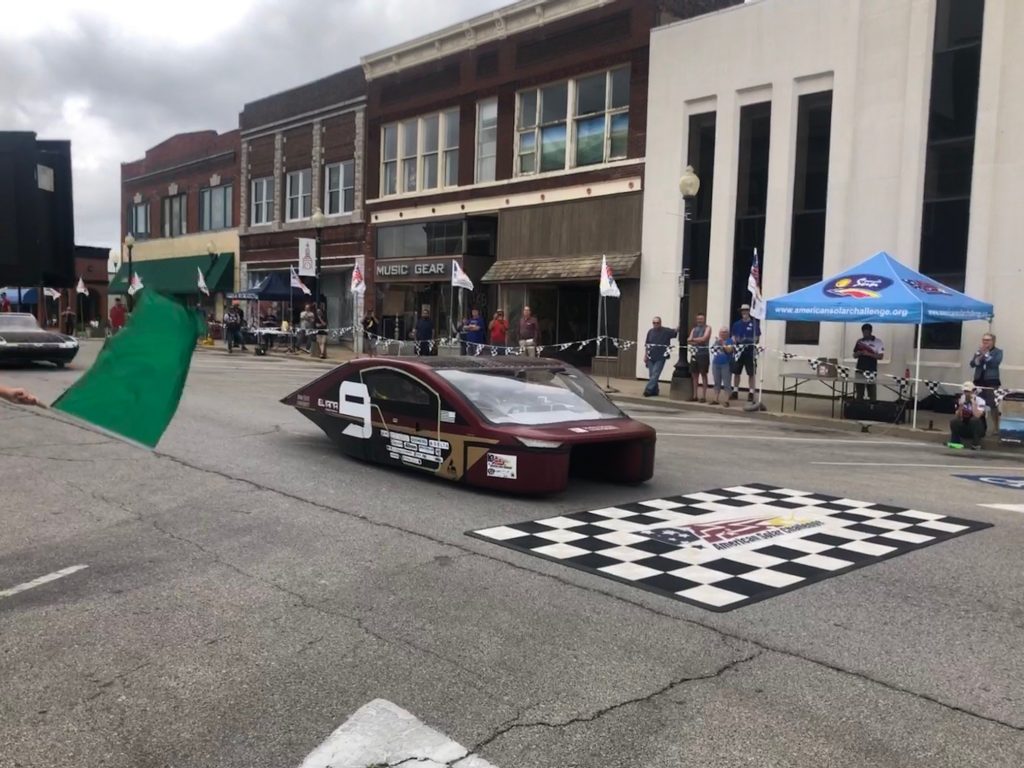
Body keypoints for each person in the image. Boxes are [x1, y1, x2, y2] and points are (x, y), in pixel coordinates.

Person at [970, 332, 1002, 431]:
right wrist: (980, 356)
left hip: (991, 381)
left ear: (993, 341)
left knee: (993, 404)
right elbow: (972, 364)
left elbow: (994, 363)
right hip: (979, 380)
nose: (985, 342)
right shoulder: (979, 351)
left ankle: (996, 427)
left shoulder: (998, 352)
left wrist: (986, 354)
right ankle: (980, 426)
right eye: (984, 340)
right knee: (978, 403)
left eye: (987, 340)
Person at [729, 304, 760, 402]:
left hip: (750, 352)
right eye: (743, 311)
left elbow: (757, 338)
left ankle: (751, 392)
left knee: (751, 373)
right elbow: (733, 337)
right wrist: (735, 341)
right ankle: (735, 391)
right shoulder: (736, 324)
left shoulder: (754, 323)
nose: (744, 312)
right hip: (738, 352)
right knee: (736, 372)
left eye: (746, 310)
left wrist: (747, 340)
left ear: (749, 311)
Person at [642, 316, 677, 397]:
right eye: (654, 323)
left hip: (661, 356)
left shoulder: (665, 331)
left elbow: (675, 332)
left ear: (660, 323)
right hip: (650, 356)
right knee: (651, 374)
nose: (656, 324)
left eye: (657, 323)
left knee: (655, 373)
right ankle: (655, 390)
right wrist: (645, 355)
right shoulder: (650, 332)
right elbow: (647, 344)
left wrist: (679, 326)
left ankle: (648, 390)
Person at [949, 381, 987, 450]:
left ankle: (976, 444)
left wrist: (973, 403)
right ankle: (955, 442)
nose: (966, 393)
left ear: (973, 391)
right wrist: (960, 406)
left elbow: (977, 415)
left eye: (968, 391)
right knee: (954, 421)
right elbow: (957, 417)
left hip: (978, 429)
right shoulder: (961, 399)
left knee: (974, 420)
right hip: (966, 427)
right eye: (965, 391)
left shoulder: (980, 401)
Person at [853, 323, 884, 400]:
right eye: (863, 332)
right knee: (859, 392)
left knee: (872, 392)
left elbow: (880, 356)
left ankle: (872, 408)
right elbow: (854, 355)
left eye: (867, 332)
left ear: (871, 331)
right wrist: (858, 353)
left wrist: (868, 354)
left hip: (871, 370)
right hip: (859, 369)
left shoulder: (878, 342)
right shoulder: (859, 341)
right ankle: (859, 408)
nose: (865, 334)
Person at [687, 313, 712, 403]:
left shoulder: (708, 328)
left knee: (703, 374)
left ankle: (703, 396)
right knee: (694, 375)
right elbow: (688, 340)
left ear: (704, 319)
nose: (699, 321)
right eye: (698, 319)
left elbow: (704, 339)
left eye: (701, 319)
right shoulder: (694, 329)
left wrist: (693, 340)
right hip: (694, 354)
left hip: (703, 354)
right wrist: (696, 340)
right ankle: (694, 396)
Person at [709, 327, 735, 407]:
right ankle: (715, 399)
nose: (723, 334)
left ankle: (726, 400)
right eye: (721, 332)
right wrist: (717, 343)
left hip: (726, 363)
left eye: (724, 332)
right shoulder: (717, 341)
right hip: (716, 363)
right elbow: (712, 350)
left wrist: (723, 344)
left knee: (727, 382)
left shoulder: (730, 341)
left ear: (728, 333)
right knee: (717, 382)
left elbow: (729, 351)